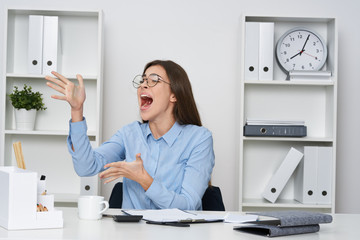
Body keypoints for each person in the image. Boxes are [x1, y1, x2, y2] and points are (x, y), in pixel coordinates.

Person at [45, 60, 215, 210]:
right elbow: (85, 167)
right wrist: (77, 110)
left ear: (174, 95)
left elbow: (188, 205)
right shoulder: (129, 134)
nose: (143, 85)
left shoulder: (198, 139)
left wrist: (144, 180)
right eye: (142, 81)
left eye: (154, 80)